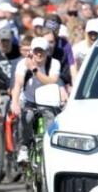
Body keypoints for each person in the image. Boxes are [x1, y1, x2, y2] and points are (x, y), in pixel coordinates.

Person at [9, 36, 63, 166]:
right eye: (36, 51)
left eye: (42, 51)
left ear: (47, 52)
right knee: (26, 118)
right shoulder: (23, 64)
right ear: (31, 52)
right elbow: (18, 84)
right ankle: (24, 148)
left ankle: (51, 150)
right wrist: (14, 102)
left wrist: (34, 70)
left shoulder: (54, 63)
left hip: (48, 101)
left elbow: (51, 81)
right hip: (29, 99)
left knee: (52, 123)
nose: (39, 54)